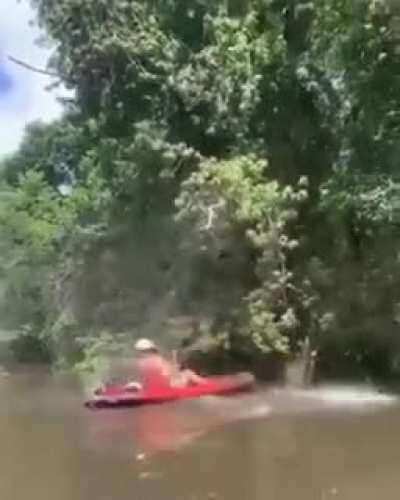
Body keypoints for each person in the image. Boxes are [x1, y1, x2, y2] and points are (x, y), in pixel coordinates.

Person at [133, 338, 205, 391]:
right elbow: (170, 374)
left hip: (149, 388)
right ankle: (206, 385)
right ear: (152, 349)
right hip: (165, 387)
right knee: (187, 372)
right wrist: (176, 366)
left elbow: (142, 378)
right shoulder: (159, 360)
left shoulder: (139, 363)